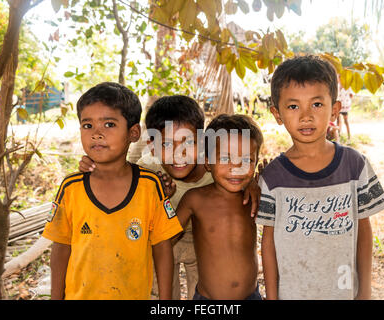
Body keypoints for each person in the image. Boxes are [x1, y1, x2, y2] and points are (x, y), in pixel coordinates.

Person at [78, 95, 262, 300]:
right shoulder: (148, 170)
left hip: (205, 246)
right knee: (160, 292)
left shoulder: (218, 168)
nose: (178, 154)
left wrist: (252, 182)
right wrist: (94, 167)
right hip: (166, 240)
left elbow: (240, 168)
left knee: (209, 290)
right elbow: (115, 183)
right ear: (153, 146)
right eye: (166, 145)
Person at [258, 55, 384, 300]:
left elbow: (363, 231)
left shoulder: (355, 165)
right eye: (293, 106)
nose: (306, 116)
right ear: (277, 114)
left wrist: (365, 291)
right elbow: (268, 243)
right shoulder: (272, 176)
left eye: (317, 104)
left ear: (335, 109)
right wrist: (272, 297)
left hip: (342, 293)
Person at [42, 82, 182, 300]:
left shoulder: (149, 186)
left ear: (133, 132)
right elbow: (60, 248)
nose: (96, 134)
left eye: (108, 124)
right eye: (87, 126)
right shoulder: (70, 188)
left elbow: (162, 248)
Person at [175, 114, 264, 300]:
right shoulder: (195, 199)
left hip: (251, 296)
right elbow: (166, 236)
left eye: (247, 160)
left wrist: (257, 184)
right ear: (207, 161)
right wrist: (164, 200)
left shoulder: (253, 196)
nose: (237, 167)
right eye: (225, 158)